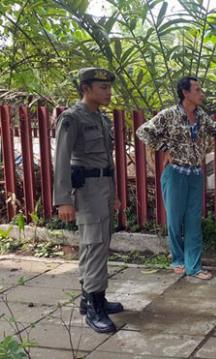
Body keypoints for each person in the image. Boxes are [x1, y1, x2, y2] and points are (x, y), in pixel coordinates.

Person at [136, 77, 216, 280]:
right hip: (175, 173)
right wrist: (164, 149)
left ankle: (194, 266)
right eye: (197, 89)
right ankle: (177, 259)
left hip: (195, 174)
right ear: (185, 93)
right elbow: (143, 131)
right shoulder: (169, 115)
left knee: (193, 220)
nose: (201, 93)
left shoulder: (201, 115)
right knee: (174, 219)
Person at [53, 67, 124, 333]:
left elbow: (108, 161)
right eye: (102, 88)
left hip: (103, 189)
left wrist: (115, 195)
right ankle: (94, 309)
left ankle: (93, 298)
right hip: (87, 191)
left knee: (100, 244)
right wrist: (63, 201)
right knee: (94, 245)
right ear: (86, 89)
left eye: (108, 87)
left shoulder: (101, 120)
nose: (108, 92)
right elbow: (61, 161)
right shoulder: (72, 119)